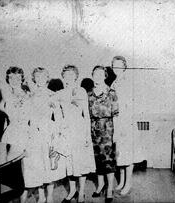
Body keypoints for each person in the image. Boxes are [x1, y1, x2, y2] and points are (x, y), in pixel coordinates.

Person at [28, 67, 67, 203]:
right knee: (39, 165)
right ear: (34, 79)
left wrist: (57, 133)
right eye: (37, 77)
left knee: (49, 163)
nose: (40, 79)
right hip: (34, 133)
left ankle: (49, 196)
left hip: (48, 131)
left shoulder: (52, 95)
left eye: (42, 77)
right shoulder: (30, 95)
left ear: (47, 78)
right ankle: (41, 196)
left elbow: (58, 115)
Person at [58, 65, 96, 203]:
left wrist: (87, 134)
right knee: (69, 163)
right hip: (66, 131)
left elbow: (86, 114)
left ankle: (81, 192)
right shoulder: (60, 93)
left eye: (71, 74)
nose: (68, 77)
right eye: (66, 74)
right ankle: (72, 190)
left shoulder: (81, 91)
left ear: (76, 76)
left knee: (81, 162)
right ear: (63, 76)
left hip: (79, 130)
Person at [1, 66, 34, 203]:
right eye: (11, 77)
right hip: (10, 132)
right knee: (10, 167)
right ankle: (14, 198)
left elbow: (31, 118)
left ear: (22, 79)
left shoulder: (28, 95)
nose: (14, 80)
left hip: (24, 132)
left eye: (17, 77)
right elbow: (5, 117)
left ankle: (23, 200)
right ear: (8, 79)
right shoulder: (5, 95)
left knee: (23, 168)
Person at [88, 65, 119, 203]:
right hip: (93, 129)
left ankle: (110, 189)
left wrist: (116, 134)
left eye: (100, 74)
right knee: (97, 159)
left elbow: (116, 114)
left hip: (107, 130)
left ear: (105, 76)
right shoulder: (88, 94)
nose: (97, 76)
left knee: (108, 160)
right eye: (95, 74)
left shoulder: (111, 92)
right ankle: (100, 185)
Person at [111, 56, 139, 196]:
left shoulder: (127, 82)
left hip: (126, 122)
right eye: (114, 65)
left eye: (119, 65)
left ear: (124, 66)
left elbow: (128, 105)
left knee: (128, 154)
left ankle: (128, 183)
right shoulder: (115, 82)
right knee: (120, 154)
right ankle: (121, 181)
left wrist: (124, 125)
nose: (116, 68)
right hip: (117, 121)